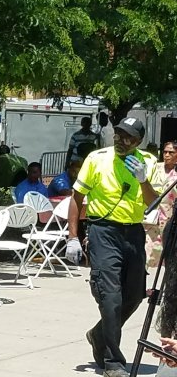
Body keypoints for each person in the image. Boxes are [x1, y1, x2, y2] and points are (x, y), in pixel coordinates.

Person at [65, 117, 158, 377]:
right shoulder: (97, 159)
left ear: (138, 141)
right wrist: (72, 237)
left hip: (134, 232)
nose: (120, 140)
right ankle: (113, 361)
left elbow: (153, 202)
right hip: (103, 231)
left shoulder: (148, 162)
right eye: (117, 134)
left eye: (127, 137)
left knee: (134, 296)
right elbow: (77, 198)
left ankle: (98, 334)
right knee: (110, 297)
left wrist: (143, 180)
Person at [145, 141, 177, 267]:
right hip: (151, 219)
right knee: (146, 253)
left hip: (169, 219)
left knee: (168, 255)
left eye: (171, 152)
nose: (167, 155)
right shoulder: (155, 168)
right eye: (165, 152)